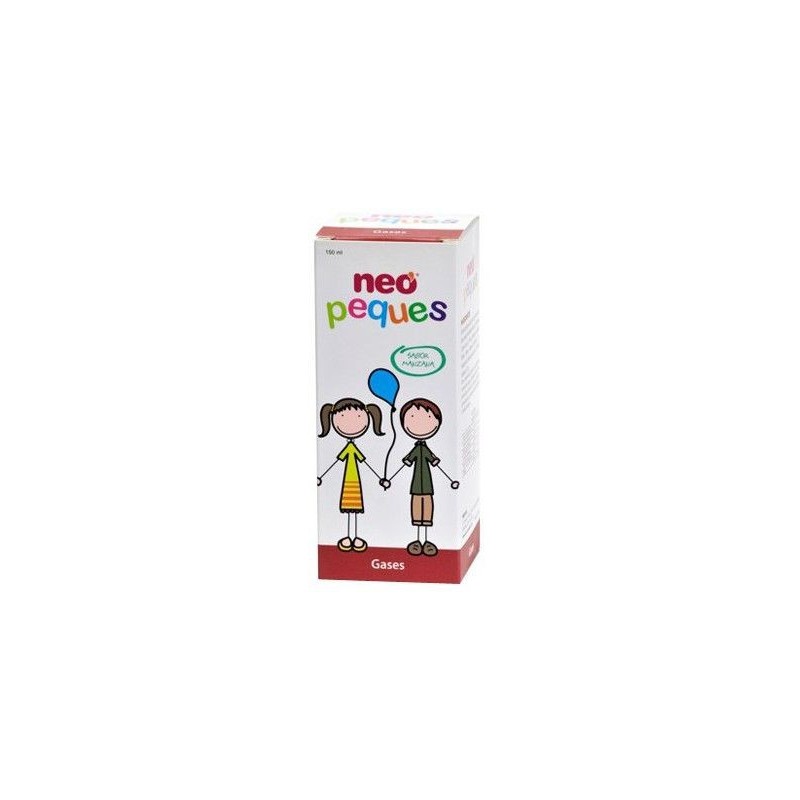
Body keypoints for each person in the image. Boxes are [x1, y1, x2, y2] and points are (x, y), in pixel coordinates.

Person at [380, 398, 458, 557]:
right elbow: (406, 463)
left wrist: (449, 478)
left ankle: (426, 540)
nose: (420, 424)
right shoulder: (416, 449)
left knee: (427, 510)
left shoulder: (424, 449)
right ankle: (417, 540)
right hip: (416, 485)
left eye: (429, 418)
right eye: (412, 418)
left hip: (427, 485)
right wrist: (390, 479)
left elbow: (435, 462)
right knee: (417, 510)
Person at [317, 398, 384, 552]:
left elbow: (364, 462)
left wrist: (379, 477)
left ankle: (355, 536)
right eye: (342, 418)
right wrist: (322, 476)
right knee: (349, 510)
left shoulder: (352, 448)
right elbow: (336, 462)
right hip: (348, 484)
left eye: (359, 417)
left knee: (354, 510)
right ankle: (349, 536)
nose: (351, 424)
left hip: (354, 483)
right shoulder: (349, 448)